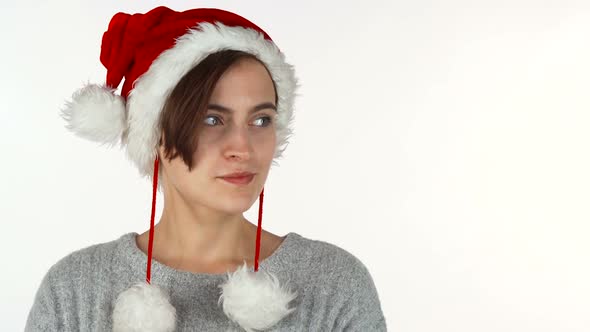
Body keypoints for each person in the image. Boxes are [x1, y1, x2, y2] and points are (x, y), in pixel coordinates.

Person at [25, 6, 387, 332]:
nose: (242, 148)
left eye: (261, 120)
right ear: (156, 134)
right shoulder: (74, 290)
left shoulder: (333, 284)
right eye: (213, 119)